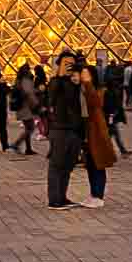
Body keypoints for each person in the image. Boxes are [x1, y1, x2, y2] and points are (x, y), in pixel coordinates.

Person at [47, 53, 86, 210]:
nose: (69, 66)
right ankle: (54, 200)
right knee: (57, 165)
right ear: (59, 65)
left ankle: (62, 197)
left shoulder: (76, 83)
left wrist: (78, 80)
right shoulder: (55, 82)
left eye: (72, 63)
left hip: (75, 129)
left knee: (68, 165)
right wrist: (60, 76)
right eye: (66, 63)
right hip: (60, 129)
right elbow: (51, 99)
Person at [80, 63, 115, 209]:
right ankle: (93, 194)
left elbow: (96, 104)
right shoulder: (82, 89)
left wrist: (87, 84)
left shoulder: (99, 91)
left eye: (85, 74)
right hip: (87, 132)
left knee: (98, 164)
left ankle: (99, 196)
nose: (82, 76)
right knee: (90, 165)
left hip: (98, 132)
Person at [10, 64, 38, 155]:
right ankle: (17, 143)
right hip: (26, 107)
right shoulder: (26, 80)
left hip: (21, 107)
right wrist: (36, 104)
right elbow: (29, 93)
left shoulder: (18, 80)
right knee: (31, 128)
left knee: (28, 128)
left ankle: (28, 148)